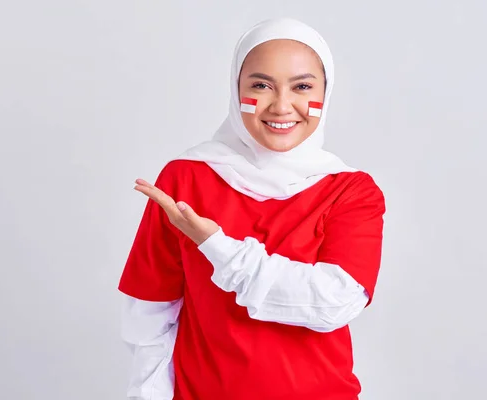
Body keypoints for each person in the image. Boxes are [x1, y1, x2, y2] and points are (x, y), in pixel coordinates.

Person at [118, 17, 386, 400]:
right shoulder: (185, 179)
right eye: (260, 85)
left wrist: (217, 246)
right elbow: (150, 316)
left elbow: (333, 302)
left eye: (302, 87)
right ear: (235, 89)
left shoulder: (350, 190)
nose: (281, 106)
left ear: (325, 95)